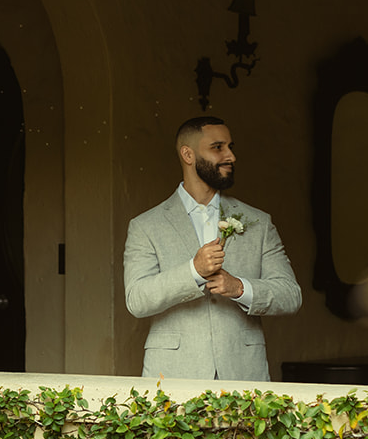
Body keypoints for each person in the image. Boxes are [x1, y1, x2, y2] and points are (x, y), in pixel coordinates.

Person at [123, 115, 301, 381]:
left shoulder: (259, 222)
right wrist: (193, 271)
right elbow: (137, 300)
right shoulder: (146, 225)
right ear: (188, 154)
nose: (230, 156)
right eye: (218, 147)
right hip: (173, 374)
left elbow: (291, 295)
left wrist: (240, 288)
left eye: (230, 146)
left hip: (244, 373)